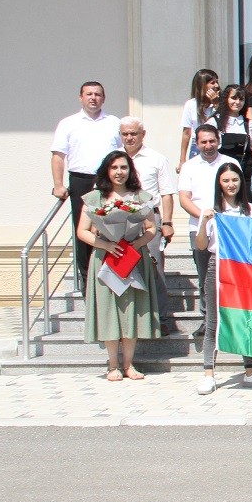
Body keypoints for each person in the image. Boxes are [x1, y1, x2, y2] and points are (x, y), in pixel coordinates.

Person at [76, 150, 159, 382]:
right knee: (109, 309)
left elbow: (151, 228)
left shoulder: (141, 197)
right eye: (114, 168)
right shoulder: (95, 198)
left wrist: (138, 242)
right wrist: (105, 244)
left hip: (132, 257)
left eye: (123, 167)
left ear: (130, 170)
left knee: (130, 308)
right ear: (107, 170)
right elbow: (82, 231)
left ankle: (129, 364)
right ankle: (112, 365)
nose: (119, 172)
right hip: (105, 258)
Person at [194, 162, 252, 393]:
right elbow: (202, 245)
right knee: (213, 321)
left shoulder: (250, 210)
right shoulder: (212, 210)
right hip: (218, 265)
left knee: (245, 319)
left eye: (234, 180)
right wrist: (204, 221)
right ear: (219, 184)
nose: (231, 184)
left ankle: (251, 371)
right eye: (226, 180)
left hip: (243, 267)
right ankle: (208, 373)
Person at [51, 81, 123, 282]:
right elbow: (58, 155)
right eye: (89, 94)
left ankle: (111, 274)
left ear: (103, 98)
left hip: (109, 181)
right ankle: (86, 280)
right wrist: (58, 184)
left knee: (111, 227)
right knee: (83, 229)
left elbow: (123, 154)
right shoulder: (68, 123)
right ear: (81, 97)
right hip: (80, 180)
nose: (93, 98)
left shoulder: (114, 122)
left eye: (98, 94)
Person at [177, 124, 240, 336]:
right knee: (205, 277)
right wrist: (204, 218)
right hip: (200, 228)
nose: (208, 145)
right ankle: (208, 320)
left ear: (218, 141)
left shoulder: (230, 163)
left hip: (230, 230)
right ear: (197, 143)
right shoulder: (189, 166)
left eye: (212, 141)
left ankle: (232, 319)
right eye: (203, 141)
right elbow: (184, 199)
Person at [119, 118, 177, 333]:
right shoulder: (114, 159)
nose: (129, 137)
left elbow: (166, 193)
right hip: (120, 221)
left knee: (155, 270)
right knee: (124, 269)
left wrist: (168, 223)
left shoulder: (156, 158)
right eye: (125, 134)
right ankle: (128, 321)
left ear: (143, 134)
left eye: (133, 133)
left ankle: (160, 318)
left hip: (149, 219)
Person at [214, 84, 252, 176]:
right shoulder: (214, 122)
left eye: (241, 99)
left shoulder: (250, 124)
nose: (237, 102)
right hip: (222, 173)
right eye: (233, 98)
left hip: (246, 173)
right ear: (226, 99)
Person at [179, 68, 220, 166]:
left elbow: (223, 122)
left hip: (216, 143)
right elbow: (186, 133)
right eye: (212, 83)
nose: (217, 86)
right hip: (197, 144)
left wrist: (216, 104)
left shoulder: (221, 103)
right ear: (202, 85)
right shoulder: (191, 104)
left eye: (217, 82)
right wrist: (182, 160)